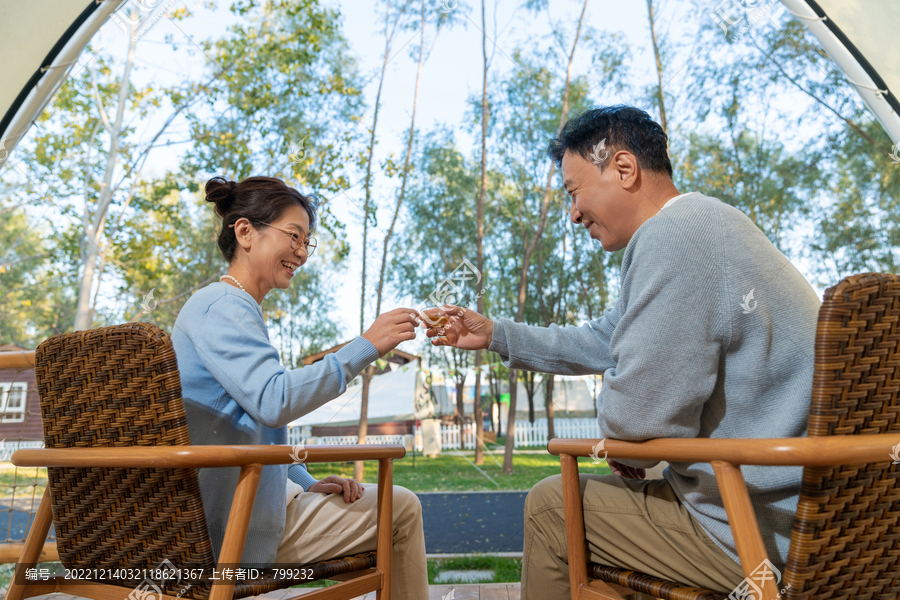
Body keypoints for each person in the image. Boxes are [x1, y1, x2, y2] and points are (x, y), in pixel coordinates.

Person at [423, 105, 822, 599]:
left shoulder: (674, 238)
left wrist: (628, 430)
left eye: (574, 192)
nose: (573, 213)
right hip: (813, 519)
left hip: (753, 535)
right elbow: (606, 339)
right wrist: (495, 334)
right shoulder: (708, 224)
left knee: (553, 508)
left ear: (625, 168)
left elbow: (634, 418)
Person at [170, 175, 428, 600]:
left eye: (308, 241)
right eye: (294, 236)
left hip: (248, 509)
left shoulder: (227, 307)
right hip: (232, 532)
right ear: (245, 232)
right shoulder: (223, 306)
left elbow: (249, 426)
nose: (303, 252)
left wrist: (305, 481)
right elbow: (275, 401)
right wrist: (366, 346)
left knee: (392, 504)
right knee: (399, 508)